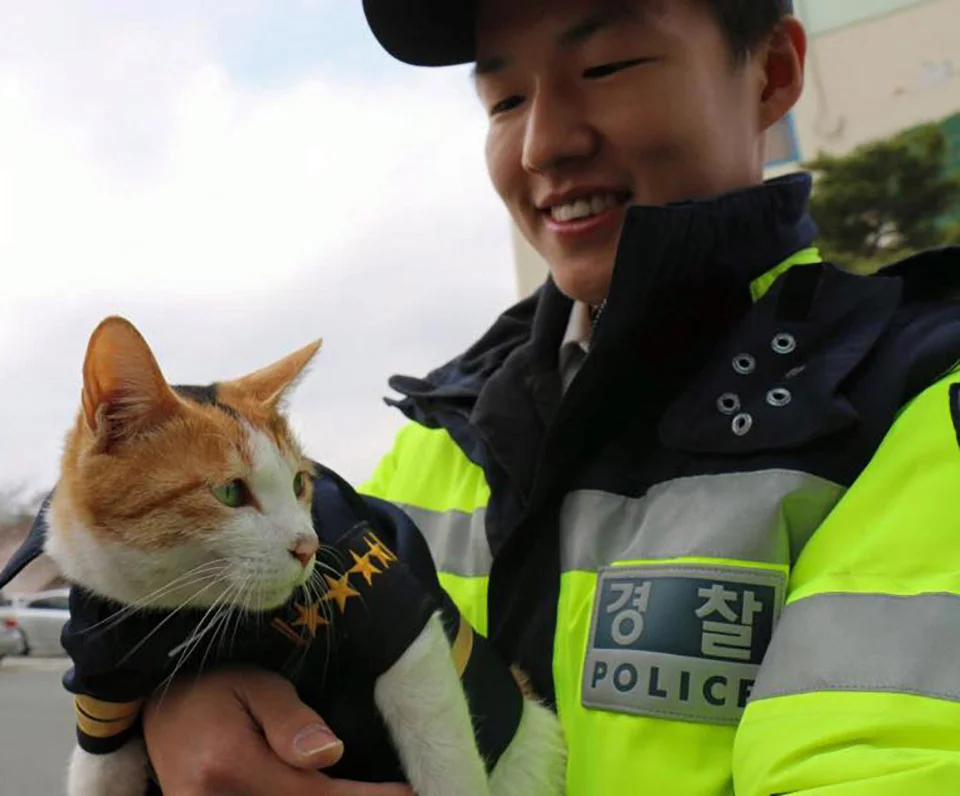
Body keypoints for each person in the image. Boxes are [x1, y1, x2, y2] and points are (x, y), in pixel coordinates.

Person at [143, 0, 960, 793]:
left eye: (607, 66)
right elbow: (273, 634)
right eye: (504, 100)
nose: (541, 145)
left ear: (772, 73)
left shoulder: (917, 400)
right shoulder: (446, 428)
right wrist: (179, 700)